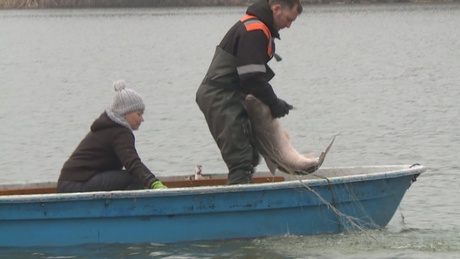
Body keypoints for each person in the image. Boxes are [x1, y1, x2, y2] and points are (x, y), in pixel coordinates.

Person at [196, 0, 302, 185]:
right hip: (220, 96)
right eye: (288, 19)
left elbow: (250, 77)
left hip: (231, 94)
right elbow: (252, 76)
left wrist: (273, 102)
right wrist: (274, 103)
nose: (289, 25)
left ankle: (243, 196)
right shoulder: (255, 30)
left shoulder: (260, 27)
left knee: (252, 155)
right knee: (240, 159)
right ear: (277, 9)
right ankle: (238, 207)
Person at [57, 80, 167, 193]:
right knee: (134, 179)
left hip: (69, 184)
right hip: (76, 185)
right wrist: (154, 183)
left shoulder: (110, 127)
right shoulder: (120, 132)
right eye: (139, 114)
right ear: (125, 113)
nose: (142, 119)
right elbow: (132, 163)